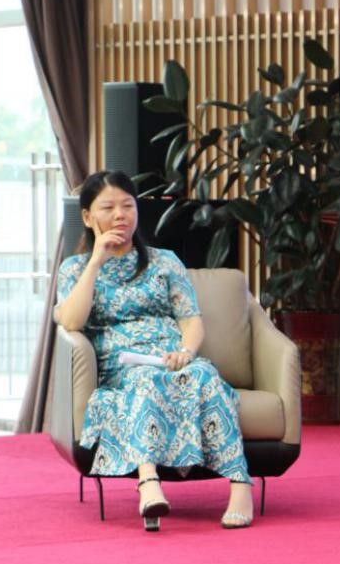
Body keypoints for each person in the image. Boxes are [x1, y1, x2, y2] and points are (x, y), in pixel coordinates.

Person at [53, 171, 254, 531]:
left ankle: (241, 486)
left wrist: (186, 352)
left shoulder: (165, 261)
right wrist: (95, 261)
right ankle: (148, 483)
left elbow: (191, 320)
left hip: (172, 357)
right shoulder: (75, 268)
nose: (120, 215)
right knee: (144, 380)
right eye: (108, 208)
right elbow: (71, 321)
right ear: (87, 216)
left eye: (128, 206)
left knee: (205, 374)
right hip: (123, 364)